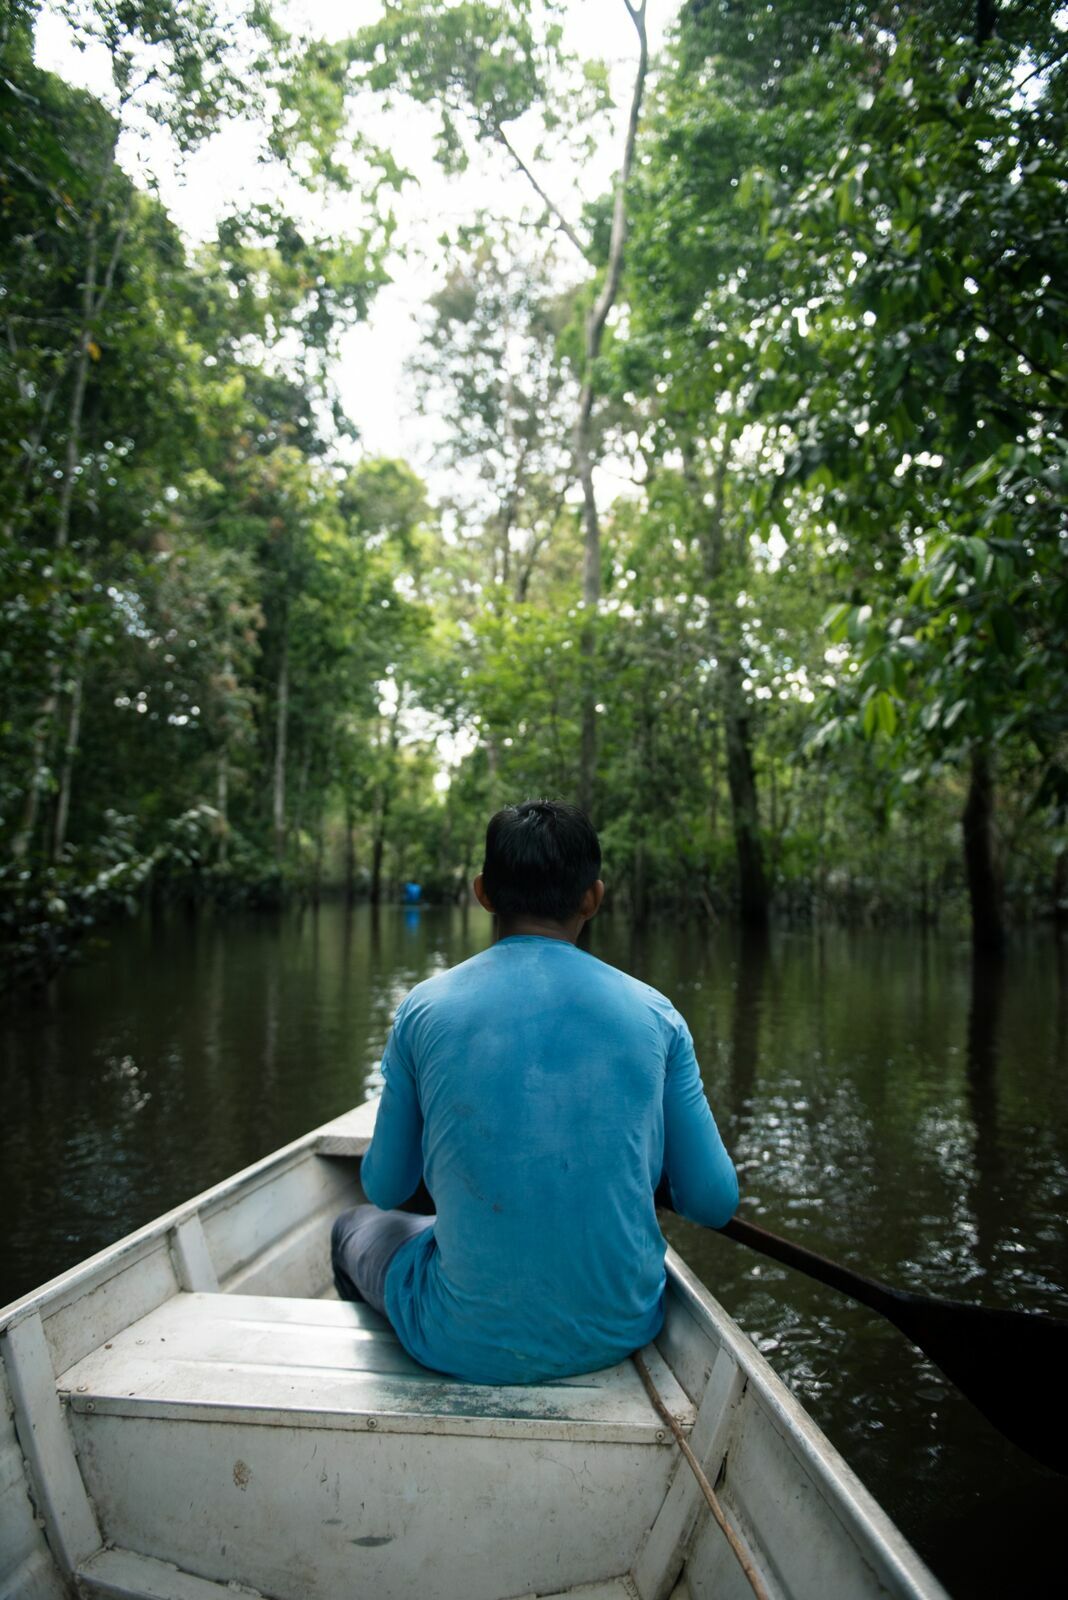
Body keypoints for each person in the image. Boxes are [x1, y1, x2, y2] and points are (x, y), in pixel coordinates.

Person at [331, 798, 738, 1384]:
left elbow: (386, 1188)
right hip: (617, 1331)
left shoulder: (424, 1010)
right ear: (592, 898)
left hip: (456, 1338)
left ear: (483, 893)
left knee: (351, 1225)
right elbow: (714, 1202)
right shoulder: (657, 1016)